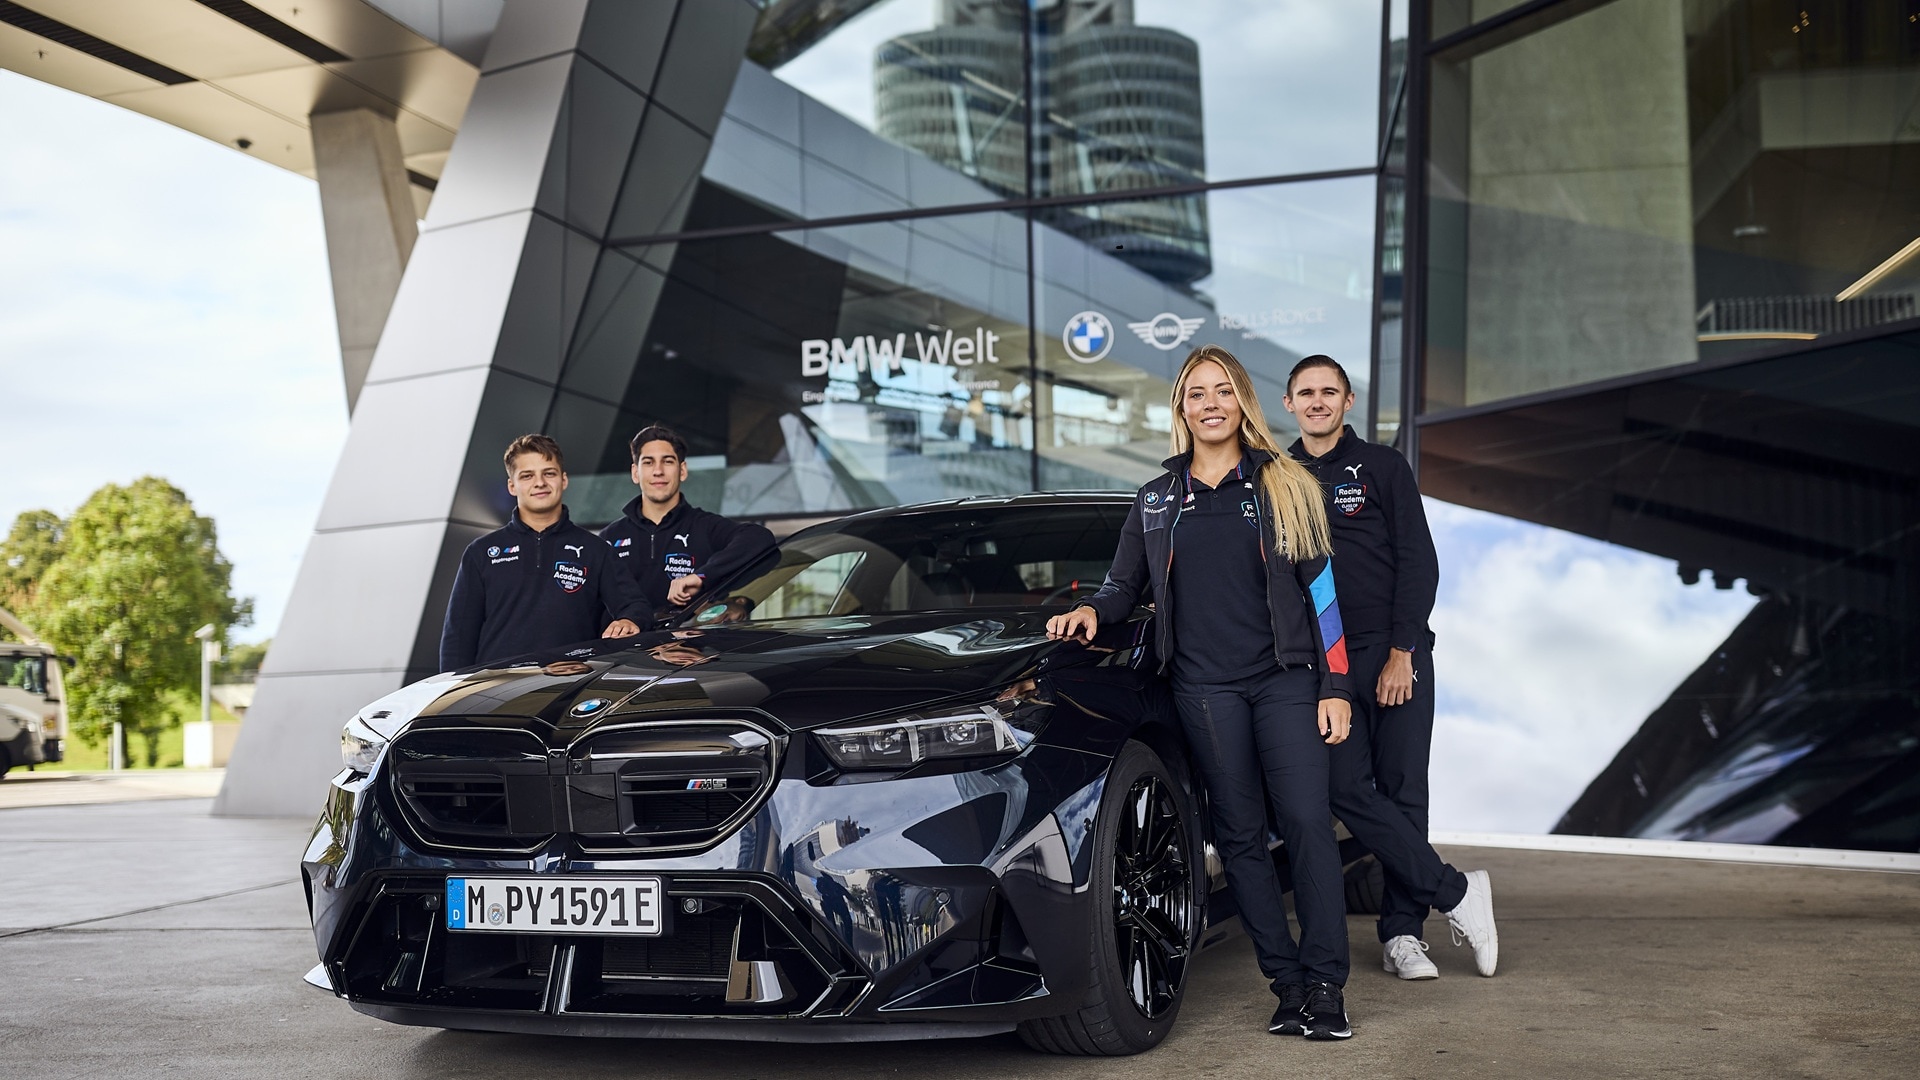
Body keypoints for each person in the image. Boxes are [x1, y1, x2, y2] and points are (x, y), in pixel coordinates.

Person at [1049, 344, 1359, 1041]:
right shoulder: (1158, 500)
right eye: (1196, 394)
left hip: (1285, 682)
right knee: (1239, 836)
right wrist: (1093, 612)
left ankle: (1327, 985)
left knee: (1307, 824)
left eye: (1222, 390)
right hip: (1203, 692)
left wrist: (1337, 687)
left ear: (1241, 400)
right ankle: (1285, 984)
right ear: (1181, 409)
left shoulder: (1284, 483)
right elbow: (1123, 587)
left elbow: (1325, 598)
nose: (1210, 403)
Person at [1282, 355, 1497, 980]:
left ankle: (1403, 935)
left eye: (1329, 391)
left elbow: (1417, 561)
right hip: (1327, 662)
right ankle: (1455, 890)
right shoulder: (1279, 476)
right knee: (1345, 787)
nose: (1318, 401)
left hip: (1394, 648)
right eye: (1306, 393)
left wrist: (1403, 650)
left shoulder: (1382, 466)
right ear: (1289, 403)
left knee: (1404, 790)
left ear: (1348, 401)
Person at [439, 434, 650, 670]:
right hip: (496, 690)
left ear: (564, 479)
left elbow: (635, 605)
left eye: (549, 473)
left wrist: (629, 619)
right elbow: (458, 636)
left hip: (569, 686)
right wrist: (450, 690)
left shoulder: (596, 550)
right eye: (527, 476)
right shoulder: (481, 552)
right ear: (512, 485)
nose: (539, 483)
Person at [599, 425, 776, 619]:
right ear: (635, 473)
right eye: (648, 463)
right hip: (624, 648)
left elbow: (760, 538)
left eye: (667, 461)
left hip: (689, 646)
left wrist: (702, 577)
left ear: (682, 470)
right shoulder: (610, 537)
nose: (658, 471)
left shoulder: (705, 526)